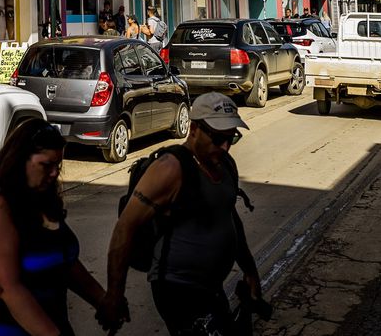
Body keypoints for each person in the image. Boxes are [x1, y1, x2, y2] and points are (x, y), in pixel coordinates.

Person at [100, 92, 262, 335]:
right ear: (194, 129)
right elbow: (125, 227)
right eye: (218, 138)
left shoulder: (226, 165)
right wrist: (114, 295)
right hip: (176, 288)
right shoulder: (171, 168)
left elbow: (229, 217)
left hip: (211, 287)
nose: (225, 147)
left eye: (232, 138)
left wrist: (250, 270)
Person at [0, 118, 109, 336]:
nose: (55, 173)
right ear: (19, 161)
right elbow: (6, 287)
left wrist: (101, 300)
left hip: (47, 322)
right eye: (46, 165)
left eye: (58, 165)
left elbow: (64, 261)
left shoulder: (41, 196)